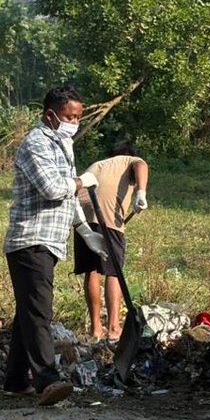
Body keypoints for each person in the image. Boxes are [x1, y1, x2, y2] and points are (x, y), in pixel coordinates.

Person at [3, 86, 108, 405]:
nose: (74, 122)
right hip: (30, 238)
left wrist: (85, 229)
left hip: (49, 239)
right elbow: (52, 189)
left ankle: (15, 381)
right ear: (50, 115)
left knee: (28, 313)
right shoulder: (36, 143)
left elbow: (69, 197)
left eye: (78, 116)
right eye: (69, 117)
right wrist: (82, 182)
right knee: (39, 312)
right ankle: (47, 380)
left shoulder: (61, 144)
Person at [74, 141, 150, 342]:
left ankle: (96, 329)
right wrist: (141, 193)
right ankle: (114, 327)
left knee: (91, 270)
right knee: (113, 271)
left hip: (80, 215)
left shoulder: (99, 164)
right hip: (107, 214)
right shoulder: (129, 160)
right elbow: (141, 165)